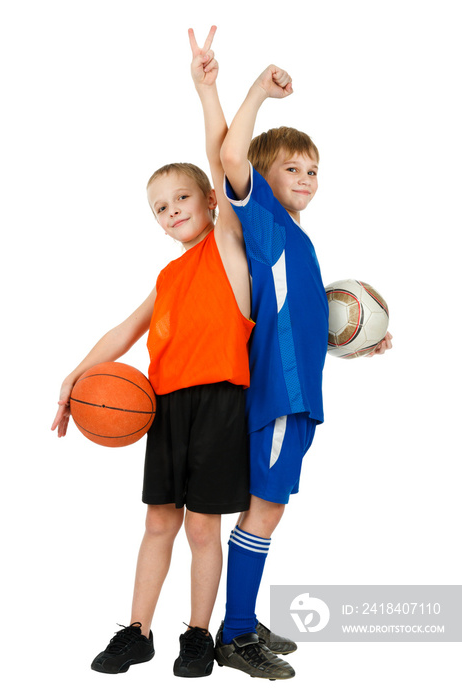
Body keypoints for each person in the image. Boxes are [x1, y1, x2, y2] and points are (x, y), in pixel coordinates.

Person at [51, 26, 255, 679]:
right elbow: (123, 330)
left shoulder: (227, 248)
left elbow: (221, 158)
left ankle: (196, 635)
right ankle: (137, 631)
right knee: (158, 524)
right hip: (163, 406)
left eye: (181, 199)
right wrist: (74, 376)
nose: (170, 213)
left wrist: (207, 88)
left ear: (209, 201)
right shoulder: (167, 279)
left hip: (221, 401)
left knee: (202, 529)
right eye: (159, 209)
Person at [215, 65, 393, 680]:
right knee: (265, 510)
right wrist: (258, 93)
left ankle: (241, 619)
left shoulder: (296, 239)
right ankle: (235, 634)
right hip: (281, 398)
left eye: (313, 170)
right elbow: (231, 151)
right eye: (292, 168)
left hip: (298, 396)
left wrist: (351, 343)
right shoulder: (263, 220)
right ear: (263, 180)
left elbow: (298, 322)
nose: (307, 178)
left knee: (266, 509)